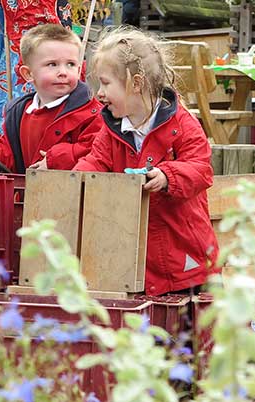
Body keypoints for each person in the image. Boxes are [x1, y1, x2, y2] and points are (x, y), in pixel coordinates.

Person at [73, 28, 219, 296]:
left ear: (136, 83)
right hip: (135, 252)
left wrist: (167, 176)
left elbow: (201, 170)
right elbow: (96, 162)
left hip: (184, 251)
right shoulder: (112, 129)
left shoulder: (182, 124)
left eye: (105, 84)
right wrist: (76, 179)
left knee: (190, 329)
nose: (99, 94)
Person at [0, 24, 103, 173]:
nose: (63, 72)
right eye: (52, 64)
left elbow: (95, 148)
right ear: (29, 74)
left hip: (70, 192)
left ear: (78, 70)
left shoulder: (91, 112)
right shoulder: (19, 113)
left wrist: (55, 159)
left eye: (70, 64)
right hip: (28, 193)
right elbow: (9, 150)